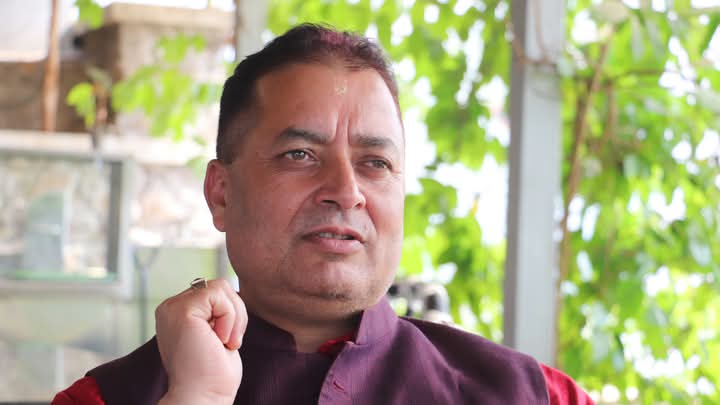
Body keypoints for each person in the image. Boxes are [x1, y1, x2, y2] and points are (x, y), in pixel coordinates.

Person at [53, 23, 594, 405]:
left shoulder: (532, 395)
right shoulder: (108, 398)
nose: (346, 191)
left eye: (375, 162)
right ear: (221, 194)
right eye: (300, 155)